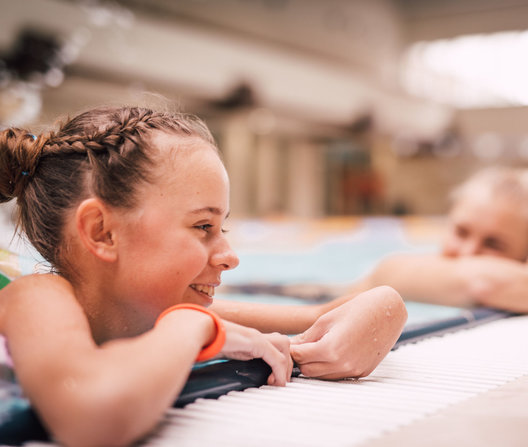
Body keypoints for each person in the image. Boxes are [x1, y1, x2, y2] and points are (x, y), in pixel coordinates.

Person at [0, 106, 407, 447]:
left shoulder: (146, 304)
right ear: (102, 232)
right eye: (202, 227)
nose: (230, 258)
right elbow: (90, 415)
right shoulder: (34, 296)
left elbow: (327, 315)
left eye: (223, 228)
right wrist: (191, 326)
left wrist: (388, 305)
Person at [245, 166, 528, 314]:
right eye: (461, 231)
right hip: (304, 293)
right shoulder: (402, 268)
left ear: (526, 254)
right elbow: (485, 279)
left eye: (494, 244)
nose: (468, 252)